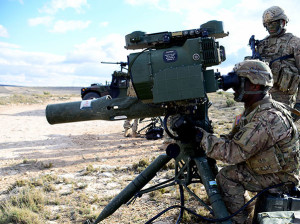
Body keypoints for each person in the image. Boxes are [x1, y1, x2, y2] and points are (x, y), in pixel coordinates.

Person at [198, 60, 300, 223]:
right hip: (270, 169)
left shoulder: (267, 117)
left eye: (239, 82)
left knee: (227, 176)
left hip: (281, 178)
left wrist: (201, 138)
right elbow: (233, 140)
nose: (234, 87)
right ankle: (244, 210)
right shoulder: (254, 110)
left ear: (254, 85)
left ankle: (237, 220)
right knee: (231, 172)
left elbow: (233, 153)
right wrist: (211, 138)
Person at [257, 6, 300, 109]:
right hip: (261, 99)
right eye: (267, 24)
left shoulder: (295, 43)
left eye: (274, 23)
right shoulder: (262, 45)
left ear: (283, 22)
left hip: (284, 102)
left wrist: (299, 104)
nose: (270, 27)